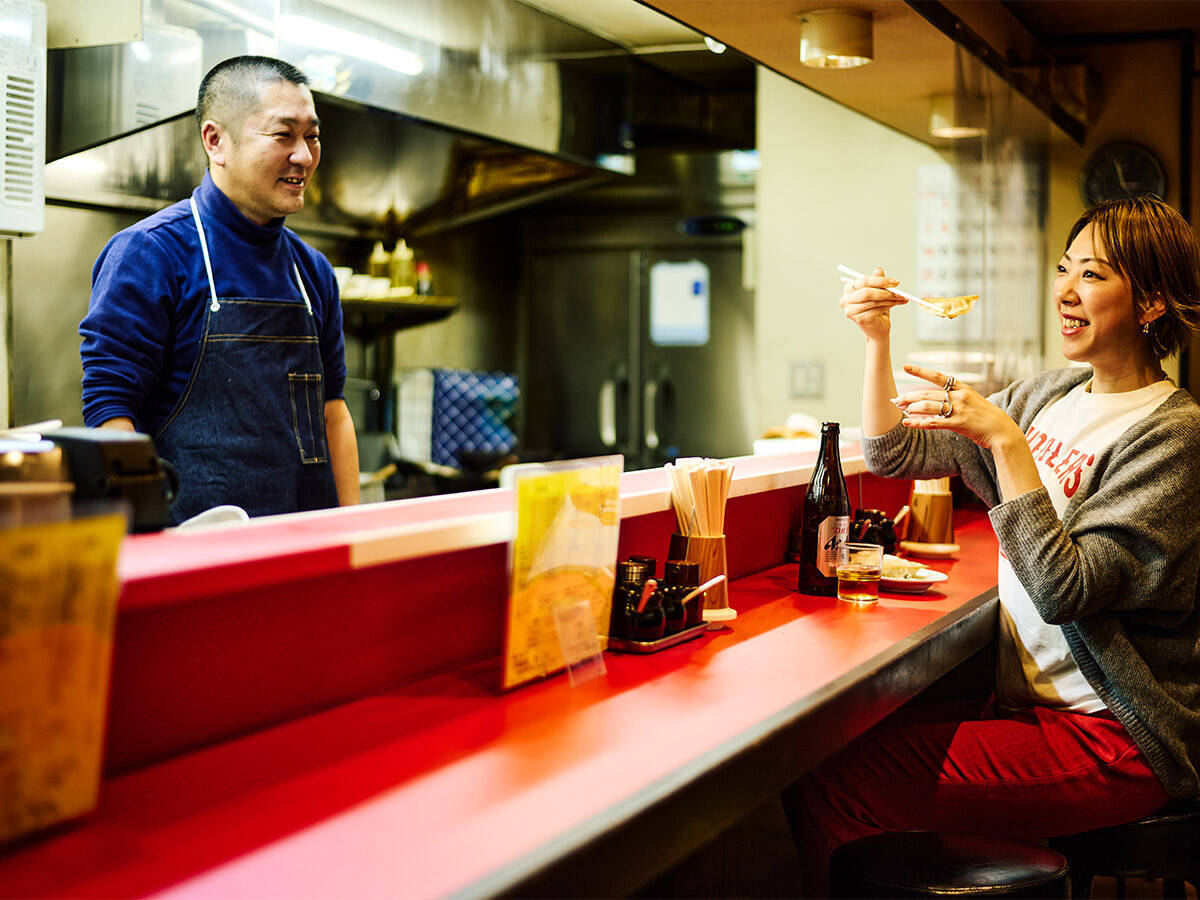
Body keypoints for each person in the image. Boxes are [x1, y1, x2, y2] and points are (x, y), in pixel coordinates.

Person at [788, 195, 1200, 895]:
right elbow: (893, 452)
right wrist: (877, 339)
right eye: (1064, 268)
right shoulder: (1052, 394)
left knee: (837, 782)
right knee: (829, 752)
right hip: (1032, 713)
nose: (1065, 291)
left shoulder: (1174, 434)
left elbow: (1061, 588)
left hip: (1115, 738)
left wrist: (1005, 440)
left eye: (1094, 276)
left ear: (1153, 300)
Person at [79, 55, 359, 523]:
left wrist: (357, 530)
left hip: (305, 550)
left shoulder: (313, 272)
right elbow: (111, 407)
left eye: (312, 135)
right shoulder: (150, 254)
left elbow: (333, 412)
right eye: (283, 135)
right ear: (216, 141)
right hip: (194, 555)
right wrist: (146, 535)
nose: (305, 156)